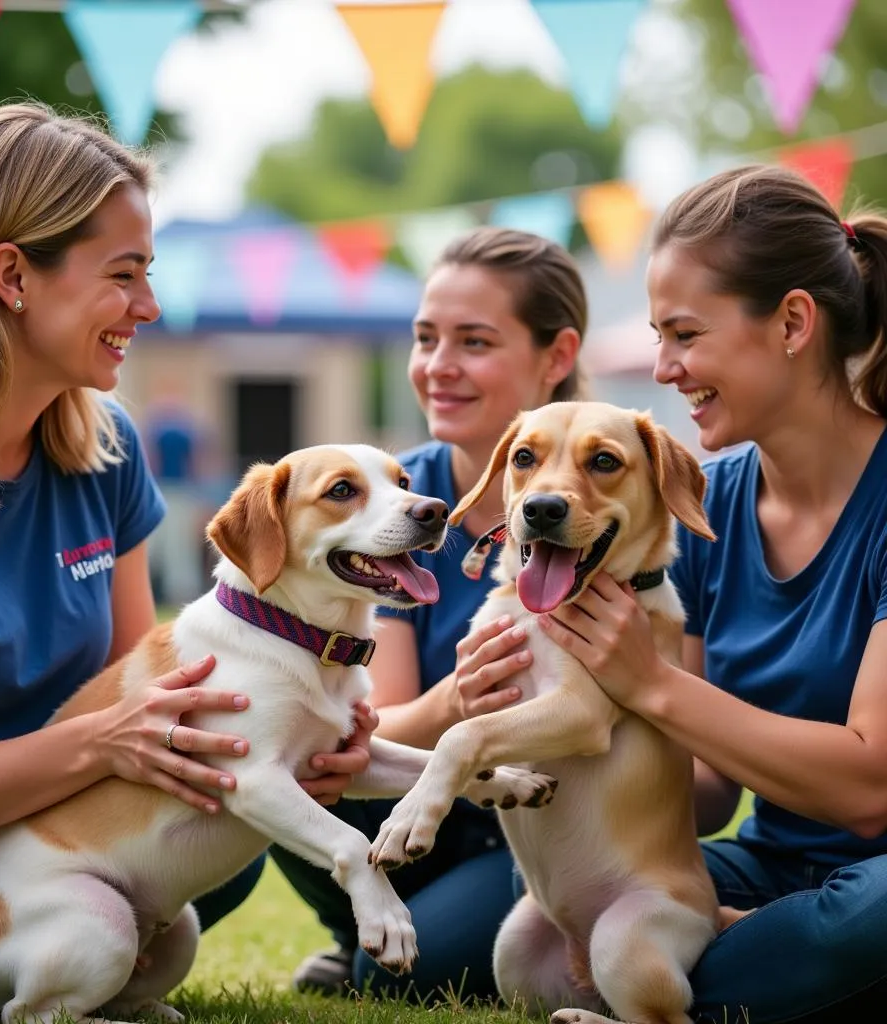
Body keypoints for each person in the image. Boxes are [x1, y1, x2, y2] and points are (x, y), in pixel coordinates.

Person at [0, 101, 369, 995]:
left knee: (230, 837)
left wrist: (301, 738)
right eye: (124, 274)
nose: (151, 305)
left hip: (44, 851)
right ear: (13, 274)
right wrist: (104, 747)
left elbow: (158, 691)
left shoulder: (110, 448)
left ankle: (28, 957)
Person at [470, 165, 887, 1024]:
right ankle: (697, 974)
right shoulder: (702, 503)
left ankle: (680, 983)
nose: (663, 368)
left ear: (794, 323)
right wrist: (539, 703)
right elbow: (704, 794)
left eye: (684, 335)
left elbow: (867, 787)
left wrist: (651, 686)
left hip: (874, 884)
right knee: (477, 938)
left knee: (858, 924)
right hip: (761, 864)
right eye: (660, 338)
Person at [271, 227, 587, 1001]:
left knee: (397, 980)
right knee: (286, 772)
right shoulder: (395, 499)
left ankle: (373, 950)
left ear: (556, 356)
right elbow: (377, 723)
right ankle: (362, 931)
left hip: (548, 835)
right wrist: (457, 703)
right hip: (422, 805)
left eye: (473, 341)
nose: (438, 366)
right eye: (425, 338)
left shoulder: (604, 500)